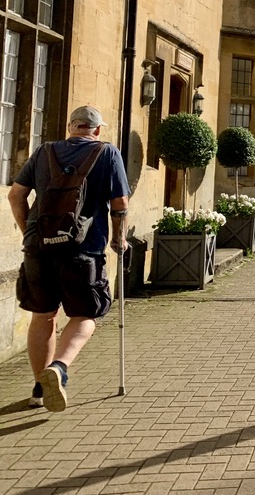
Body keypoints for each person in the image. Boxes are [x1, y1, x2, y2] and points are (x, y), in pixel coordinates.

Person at [9, 105, 131, 412]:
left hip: (39, 247)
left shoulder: (44, 151)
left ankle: (39, 387)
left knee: (43, 315)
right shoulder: (107, 153)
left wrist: (30, 232)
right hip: (83, 249)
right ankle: (59, 368)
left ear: (70, 126)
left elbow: (16, 194)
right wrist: (119, 238)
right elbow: (120, 202)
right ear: (98, 130)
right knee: (85, 314)